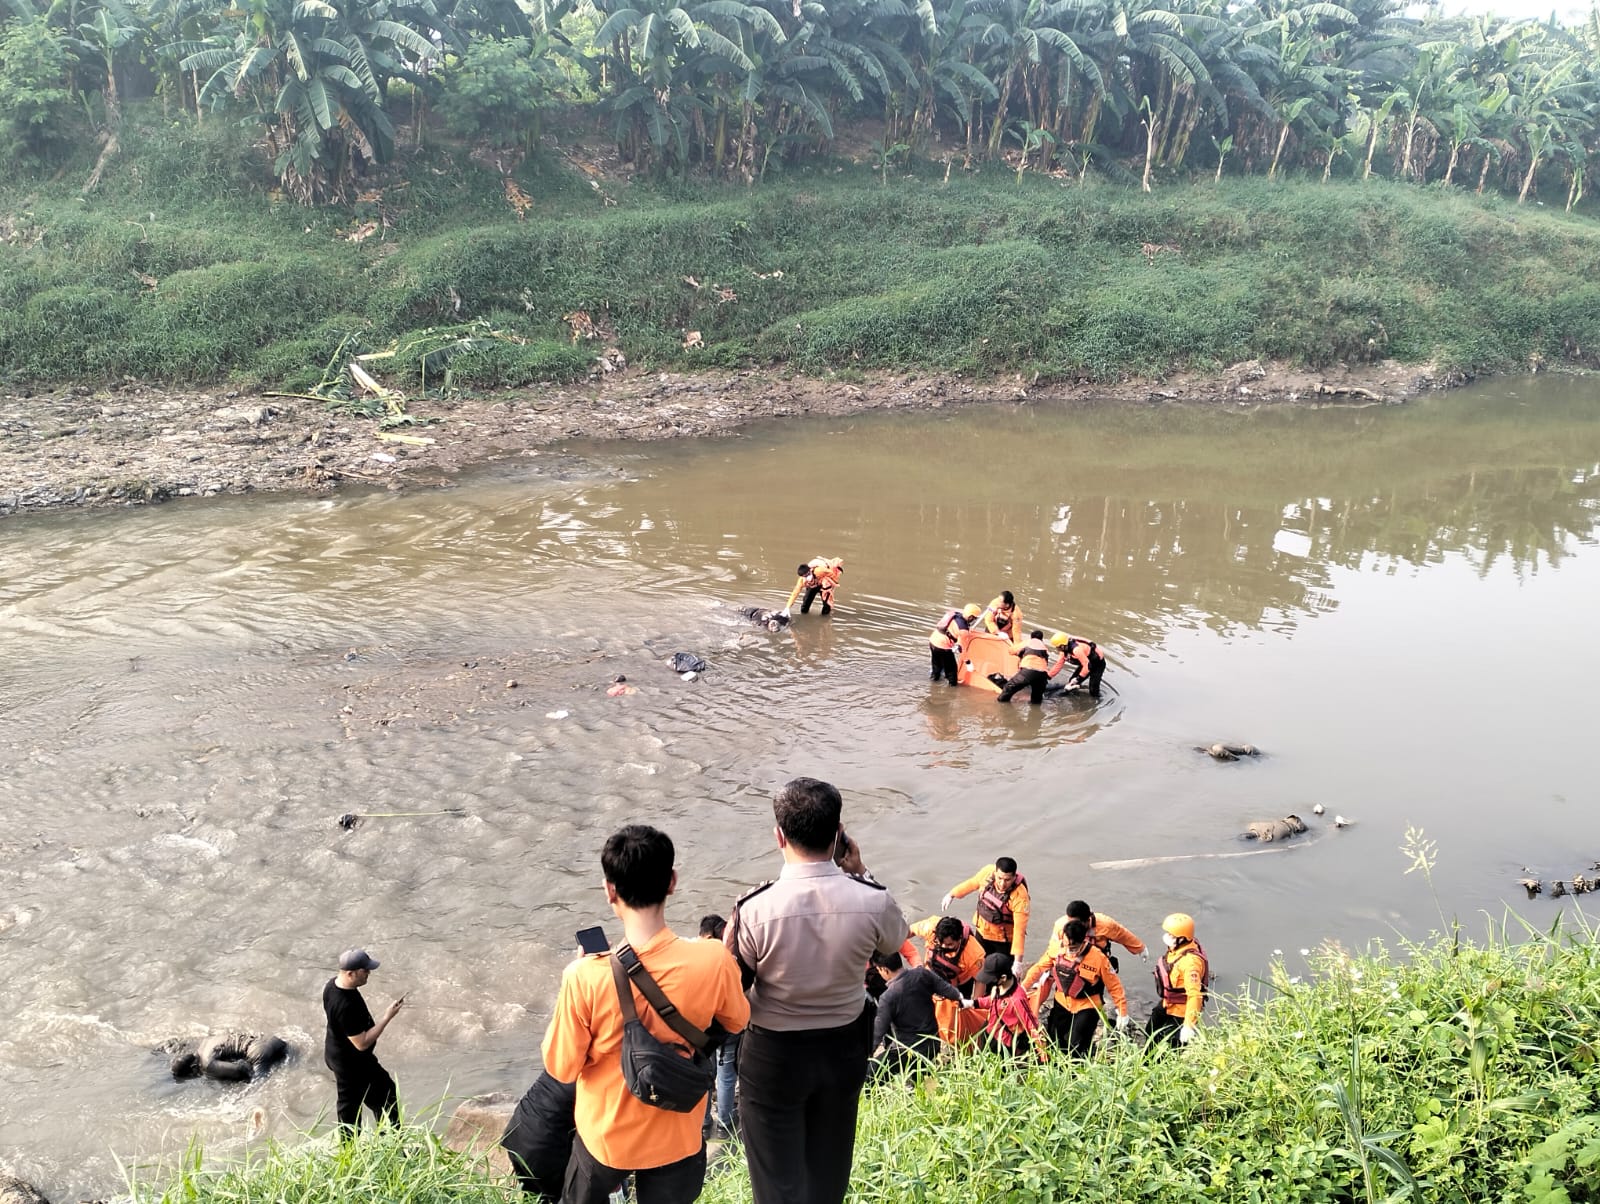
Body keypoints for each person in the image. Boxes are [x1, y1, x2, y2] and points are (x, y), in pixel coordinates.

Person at [541, 825, 750, 1204]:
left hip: (606, 1138)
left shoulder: (584, 976)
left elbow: (562, 1068)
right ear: (672, 882)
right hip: (678, 1134)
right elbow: (738, 1021)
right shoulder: (713, 959)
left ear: (610, 891)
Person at [725, 777, 908, 1204]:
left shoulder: (754, 909)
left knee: (774, 1181)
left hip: (773, 1056)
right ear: (839, 833)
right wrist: (860, 871)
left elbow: (733, 989)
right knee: (829, 1171)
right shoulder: (872, 900)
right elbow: (894, 942)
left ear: (778, 836)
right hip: (842, 1050)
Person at [322, 947, 403, 1136]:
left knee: (384, 1092)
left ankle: (387, 1138)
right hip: (351, 1063)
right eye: (365, 970)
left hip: (338, 1052)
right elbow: (362, 1043)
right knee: (351, 1111)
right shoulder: (345, 1005)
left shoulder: (332, 985)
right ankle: (356, 1152)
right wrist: (387, 1017)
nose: (369, 974)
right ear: (350, 973)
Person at [1021, 919, 1131, 1057]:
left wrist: (1122, 1011)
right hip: (1062, 1001)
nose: (1069, 951)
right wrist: (1023, 988)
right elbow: (1038, 968)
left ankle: (1078, 1069)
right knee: (1054, 1039)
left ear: (1083, 941)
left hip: (1087, 1005)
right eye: (1067, 946)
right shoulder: (1057, 949)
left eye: (1073, 948)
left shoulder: (1098, 958)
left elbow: (1114, 986)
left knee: (1076, 1045)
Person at [868, 950, 969, 1074]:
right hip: (933, 1042)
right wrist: (962, 999)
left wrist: (867, 1054)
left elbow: (878, 1032)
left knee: (869, 1077)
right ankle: (925, 1086)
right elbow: (949, 991)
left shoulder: (888, 997)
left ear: (884, 970)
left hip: (907, 1050)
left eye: (878, 970)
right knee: (923, 1077)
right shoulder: (922, 974)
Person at [501, 1067, 578, 1201]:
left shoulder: (564, 1059)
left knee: (533, 1198)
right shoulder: (593, 1080)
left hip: (516, 1132)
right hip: (542, 1149)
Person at [940, 857, 1031, 963]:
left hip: (1003, 941)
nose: (1002, 884)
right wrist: (952, 894)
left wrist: (1018, 961)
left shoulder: (1020, 897)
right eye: (999, 878)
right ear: (995, 872)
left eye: (1007, 880)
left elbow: (1019, 930)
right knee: (978, 963)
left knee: (1002, 970)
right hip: (982, 931)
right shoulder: (987, 873)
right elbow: (972, 883)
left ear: (1014, 877)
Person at [697, 914, 739, 1135]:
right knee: (726, 1075)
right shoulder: (728, 957)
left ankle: (703, 1123)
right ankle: (725, 1121)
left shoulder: (691, 957)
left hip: (702, 1025)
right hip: (727, 1025)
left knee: (706, 1072)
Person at [967, 953, 1046, 1061]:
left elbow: (1031, 1025)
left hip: (1005, 1044)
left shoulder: (1017, 999)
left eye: (990, 978)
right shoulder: (999, 987)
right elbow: (993, 1000)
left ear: (1003, 977)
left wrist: (1043, 1055)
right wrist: (974, 1003)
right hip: (991, 1032)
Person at [1149, 912, 1209, 1048]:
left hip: (1181, 1013)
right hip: (1167, 1004)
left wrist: (1188, 1026)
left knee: (1168, 1049)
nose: (1167, 937)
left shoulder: (1190, 963)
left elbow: (1195, 995)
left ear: (1182, 938)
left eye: (1172, 935)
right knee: (1150, 1033)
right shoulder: (1177, 949)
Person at [1050, 900, 1147, 972]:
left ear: (1087, 920)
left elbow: (1123, 935)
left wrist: (1140, 949)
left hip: (1097, 965)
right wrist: (1046, 971)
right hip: (1071, 964)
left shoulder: (1105, 925)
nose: (1071, 927)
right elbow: (1052, 950)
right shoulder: (1060, 925)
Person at [927, 603, 981, 685]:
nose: (974, 620)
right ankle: (952, 689)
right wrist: (968, 663)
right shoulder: (963, 630)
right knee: (952, 672)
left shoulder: (955, 615)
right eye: (974, 618)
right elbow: (962, 649)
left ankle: (933, 682)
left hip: (933, 641)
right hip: (943, 646)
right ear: (970, 617)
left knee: (936, 667)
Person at [995, 631, 1053, 704]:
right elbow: (1045, 662)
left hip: (1028, 671)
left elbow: (1011, 651)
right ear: (1042, 639)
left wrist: (1020, 653)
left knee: (1009, 687)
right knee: (1036, 699)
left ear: (1031, 637)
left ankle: (1002, 706)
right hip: (1042, 675)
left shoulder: (1028, 642)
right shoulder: (1045, 648)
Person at [1048, 632, 1107, 699]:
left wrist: (1078, 678)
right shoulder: (1064, 650)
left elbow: (1087, 666)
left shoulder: (1077, 650)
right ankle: (1076, 694)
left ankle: (1097, 700)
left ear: (1062, 645)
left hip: (1097, 665)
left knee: (1093, 690)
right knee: (1071, 681)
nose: (1057, 649)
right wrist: (1048, 676)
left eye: (1057, 647)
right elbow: (1059, 664)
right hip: (1086, 662)